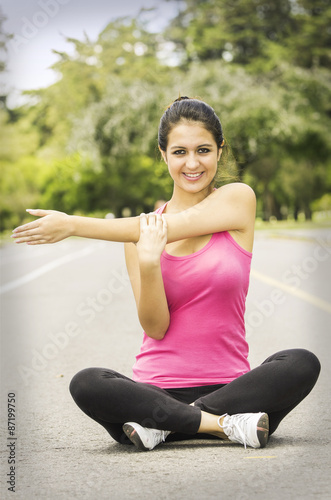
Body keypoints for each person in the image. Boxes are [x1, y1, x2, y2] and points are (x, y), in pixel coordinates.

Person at [12, 97, 320, 451]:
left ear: (220, 151)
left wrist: (73, 224)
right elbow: (155, 327)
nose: (192, 163)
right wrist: (148, 264)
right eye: (179, 152)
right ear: (163, 154)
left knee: (300, 362)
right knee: (87, 383)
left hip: (235, 391)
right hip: (155, 392)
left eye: (203, 150)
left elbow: (177, 225)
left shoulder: (238, 199)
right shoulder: (135, 238)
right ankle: (225, 426)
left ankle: (166, 427)